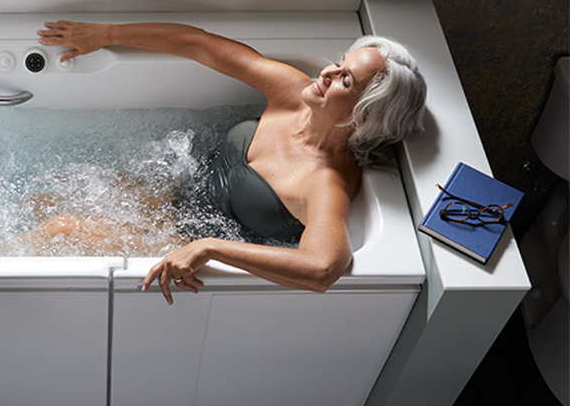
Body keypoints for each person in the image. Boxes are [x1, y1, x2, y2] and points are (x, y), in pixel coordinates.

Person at [35, 20, 427, 304]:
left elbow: (323, 268)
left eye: (345, 80)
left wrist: (209, 248)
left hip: (183, 241)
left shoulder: (325, 183)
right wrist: (105, 35)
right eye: (339, 62)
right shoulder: (294, 94)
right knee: (43, 200)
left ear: (363, 116)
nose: (326, 73)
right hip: (175, 194)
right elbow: (199, 44)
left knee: (59, 228)